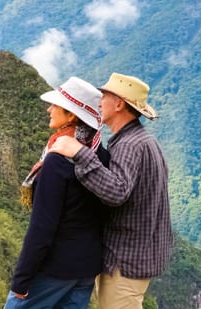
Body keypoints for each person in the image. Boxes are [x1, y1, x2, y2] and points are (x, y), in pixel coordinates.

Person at [49, 73, 172, 308]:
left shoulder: (129, 145)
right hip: (137, 256)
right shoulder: (143, 140)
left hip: (125, 261)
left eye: (104, 96)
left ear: (119, 104)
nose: (99, 101)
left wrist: (78, 152)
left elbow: (116, 191)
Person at [5, 77, 109, 308]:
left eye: (56, 105)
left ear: (71, 115)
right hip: (86, 269)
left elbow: (43, 226)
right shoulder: (101, 154)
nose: (48, 109)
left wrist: (21, 280)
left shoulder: (57, 159)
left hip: (55, 269)